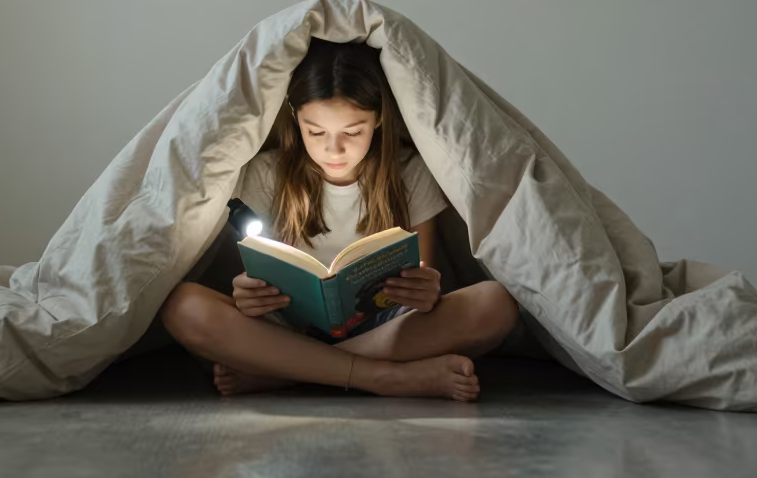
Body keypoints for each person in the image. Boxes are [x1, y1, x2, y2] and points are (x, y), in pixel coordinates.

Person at [158, 38, 520, 401]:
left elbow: (422, 276)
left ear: (379, 118)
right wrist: (247, 295)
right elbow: (258, 274)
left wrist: (426, 292)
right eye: (315, 131)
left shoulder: (410, 172)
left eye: (352, 131)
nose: (334, 149)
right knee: (182, 306)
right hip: (286, 329)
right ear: (294, 115)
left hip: (384, 327)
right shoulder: (266, 174)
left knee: (496, 304)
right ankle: (384, 378)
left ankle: (285, 373)